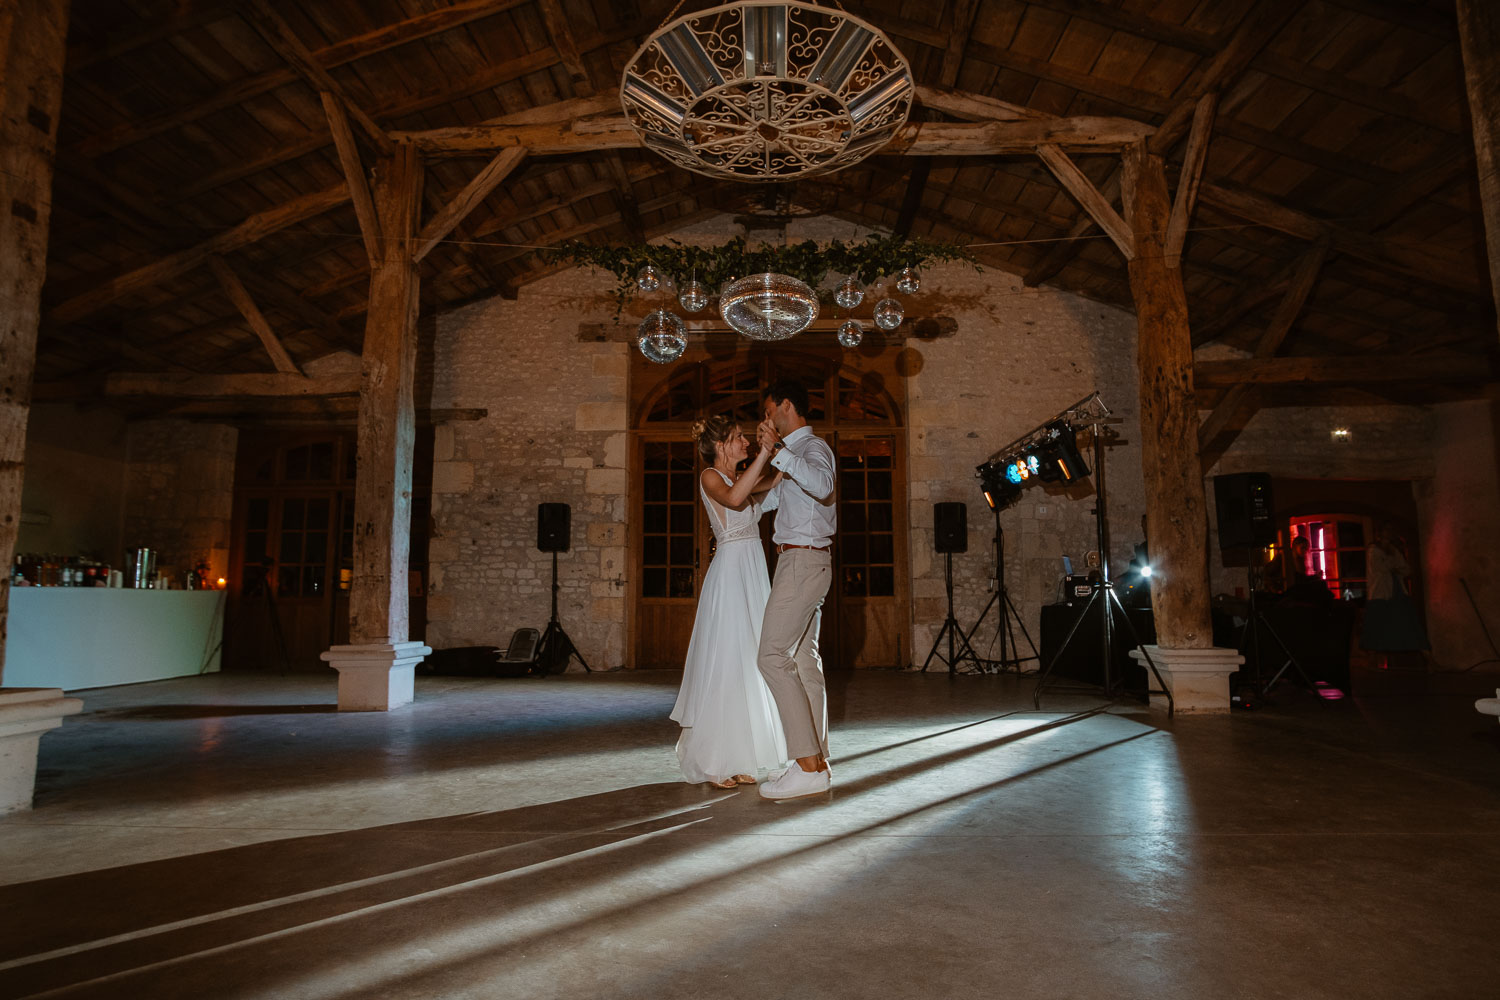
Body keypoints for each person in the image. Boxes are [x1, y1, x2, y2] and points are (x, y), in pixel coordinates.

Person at [669, 415, 787, 789]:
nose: (745, 444)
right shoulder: (711, 477)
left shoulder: (741, 478)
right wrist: (767, 452)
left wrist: (785, 455)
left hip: (753, 572)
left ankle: (739, 758)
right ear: (720, 446)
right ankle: (714, 762)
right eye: (739, 438)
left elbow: (769, 484)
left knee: (749, 662)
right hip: (731, 575)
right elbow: (736, 499)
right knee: (726, 662)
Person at [755, 378, 838, 801]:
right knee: (804, 660)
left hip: (802, 562)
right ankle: (817, 760)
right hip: (799, 561)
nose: (766, 420)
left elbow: (822, 487)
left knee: (770, 655)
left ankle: (805, 764)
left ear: (786, 405)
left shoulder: (811, 449)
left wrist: (780, 452)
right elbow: (764, 505)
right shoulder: (792, 458)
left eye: (769, 411)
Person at [1360, 522, 1429, 668]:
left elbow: (1406, 569)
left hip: (1396, 592)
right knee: (1376, 627)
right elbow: (1381, 567)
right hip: (1380, 593)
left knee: (1410, 624)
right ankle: (1372, 662)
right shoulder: (1373, 551)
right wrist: (1394, 565)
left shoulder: (1393, 550)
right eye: (1386, 530)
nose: (1389, 534)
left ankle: (1429, 660)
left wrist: (1394, 565)